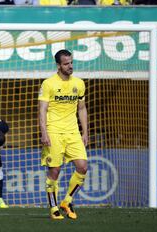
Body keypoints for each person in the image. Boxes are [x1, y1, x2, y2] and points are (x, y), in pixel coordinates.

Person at [38, 49, 89, 220]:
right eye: (66, 64)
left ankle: (66, 201)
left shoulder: (79, 83)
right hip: (53, 132)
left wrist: (85, 132)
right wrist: (44, 132)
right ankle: (53, 207)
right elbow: (42, 110)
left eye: (71, 62)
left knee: (82, 167)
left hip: (73, 132)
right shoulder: (48, 84)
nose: (70, 66)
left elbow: (81, 108)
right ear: (58, 65)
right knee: (55, 171)